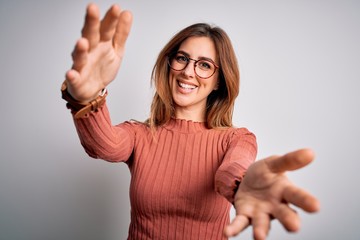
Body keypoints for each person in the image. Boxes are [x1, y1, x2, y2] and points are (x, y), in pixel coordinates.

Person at [61, 3, 320, 240]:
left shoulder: (237, 139)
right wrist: (87, 98)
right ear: (170, 63)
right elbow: (103, 146)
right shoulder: (140, 134)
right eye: (182, 58)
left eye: (205, 65)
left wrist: (243, 185)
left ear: (219, 80)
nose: (188, 71)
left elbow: (232, 171)